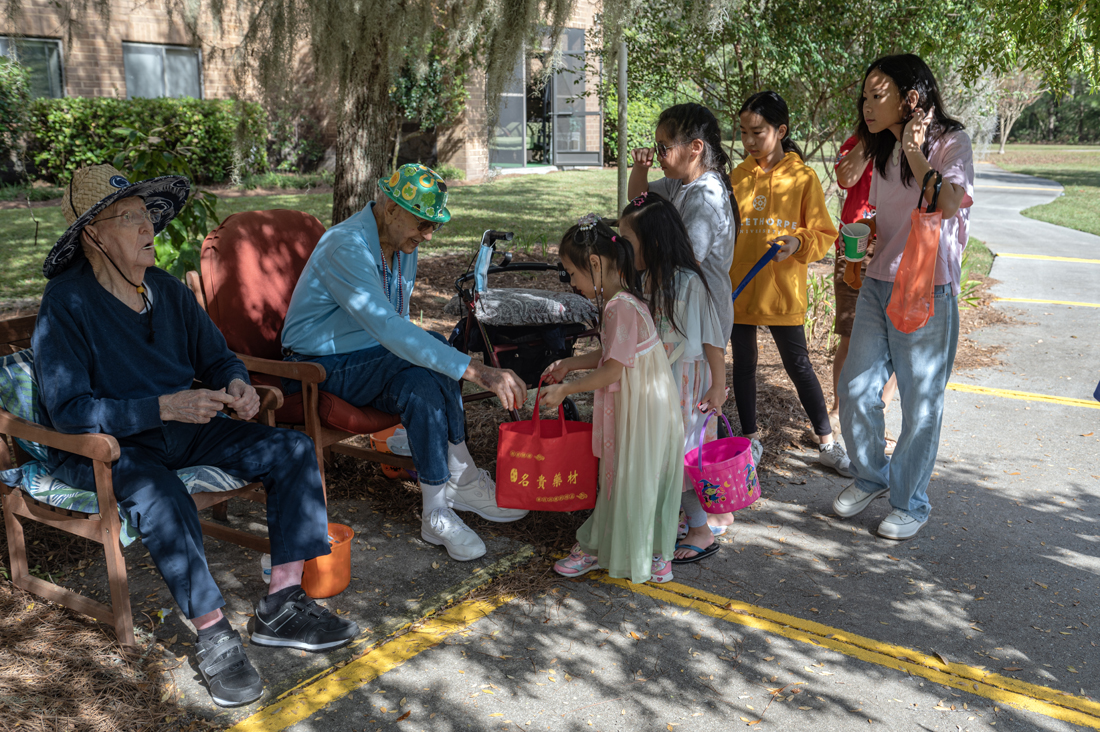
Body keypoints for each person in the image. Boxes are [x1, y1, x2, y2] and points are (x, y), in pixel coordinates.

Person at [33, 165, 358, 708]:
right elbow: (70, 413)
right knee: (162, 496)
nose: (148, 228)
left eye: (146, 215)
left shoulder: (164, 289)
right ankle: (212, 633)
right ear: (93, 235)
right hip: (109, 449)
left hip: (183, 428)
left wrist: (237, 384)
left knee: (292, 450)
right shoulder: (65, 304)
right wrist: (162, 405)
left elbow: (217, 357)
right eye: (130, 218)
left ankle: (281, 604)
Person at [281, 164, 529, 563]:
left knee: (422, 384)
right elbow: (390, 329)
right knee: (431, 348)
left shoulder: (399, 245)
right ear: (390, 207)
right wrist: (478, 371)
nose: (428, 235)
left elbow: (395, 327)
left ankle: (435, 511)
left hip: (371, 361)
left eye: (434, 226)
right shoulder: (346, 245)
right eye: (423, 223)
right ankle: (460, 474)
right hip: (314, 369)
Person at [833, 54, 974, 539]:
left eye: (878, 96)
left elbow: (948, 203)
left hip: (927, 287)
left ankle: (910, 502)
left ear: (910, 97)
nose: (868, 106)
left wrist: (916, 150)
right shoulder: (885, 149)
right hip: (878, 281)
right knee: (854, 389)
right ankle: (873, 475)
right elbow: (890, 212)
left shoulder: (951, 142)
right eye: (865, 97)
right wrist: (866, 228)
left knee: (920, 405)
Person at [541, 215, 684, 585]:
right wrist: (569, 364)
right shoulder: (626, 300)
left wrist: (565, 390)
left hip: (639, 408)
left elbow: (612, 370)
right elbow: (610, 354)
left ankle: (606, 548)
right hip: (647, 405)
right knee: (639, 475)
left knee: (626, 475)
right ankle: (651, 553)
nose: (571, 283)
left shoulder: (618, 306)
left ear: (595, 264)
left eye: (572, 273)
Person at [628, 102, 739, 537]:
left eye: (662, 146)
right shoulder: (678, 184)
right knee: (687, 422)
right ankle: (707, 510)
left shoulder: (707, 195)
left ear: (695, 148)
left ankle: (706, 516)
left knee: (690, 424)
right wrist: (639, 170)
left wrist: (635, 260)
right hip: (679, 320)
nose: (657, 154)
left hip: (698, 323)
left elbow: (680, 255)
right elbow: (640, 203)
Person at [729, 90, 848, 476]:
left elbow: (825, 233)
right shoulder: (736, 177)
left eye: (757, 132)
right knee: (743, 366)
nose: (748, 141)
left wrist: (798, 241)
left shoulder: (802, 177)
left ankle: (827, 442)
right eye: (744, 132)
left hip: (782, 294)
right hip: (740, 288)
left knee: (798, 364)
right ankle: (748, 440)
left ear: (780, 131)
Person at [616, 192, 726, 564]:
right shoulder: (644, 280)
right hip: (658, 385)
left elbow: (713, 338)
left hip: (686, 387)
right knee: (663, 458)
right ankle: (677, 520)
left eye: (628, 241)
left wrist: (719, 385)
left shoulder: (689, 283)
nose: (622, 249)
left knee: (681, 460)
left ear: (656, 241)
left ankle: (700, 530)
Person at [830, 134, 899, 453]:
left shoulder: (914, 143)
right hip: (856, 244)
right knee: (849, 333)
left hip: (898, 247)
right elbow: (846, 177)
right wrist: (872, 139)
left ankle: (877, 417)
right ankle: (838, 410)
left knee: (897, 337)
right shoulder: (859, 140)